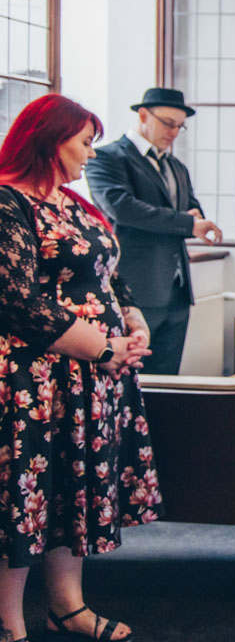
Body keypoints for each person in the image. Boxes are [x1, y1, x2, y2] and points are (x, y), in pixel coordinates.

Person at [0, 95, 163, 642]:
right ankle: (8, 623)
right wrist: (103, 349)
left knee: (71, 493)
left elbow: (109, 273)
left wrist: (134, 322)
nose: (92, 152)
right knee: (26, 497)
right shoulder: (8, 201)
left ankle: (67, 607)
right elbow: (16, 301)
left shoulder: (72, 202)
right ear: (48, 139)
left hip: (90, 377)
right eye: (85, 142)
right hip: (37, 377)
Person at [86, 87, 223, 374]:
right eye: (168, 123)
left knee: (168, 378)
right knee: (133, 377)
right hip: (137, 286)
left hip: (178, 290)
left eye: (180, 126)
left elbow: (192, 208)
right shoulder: (107, 157)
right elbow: (123, 208)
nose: (174, 132)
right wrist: (186, 222)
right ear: (143, 115)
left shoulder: (176, 166)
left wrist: (192, 218)